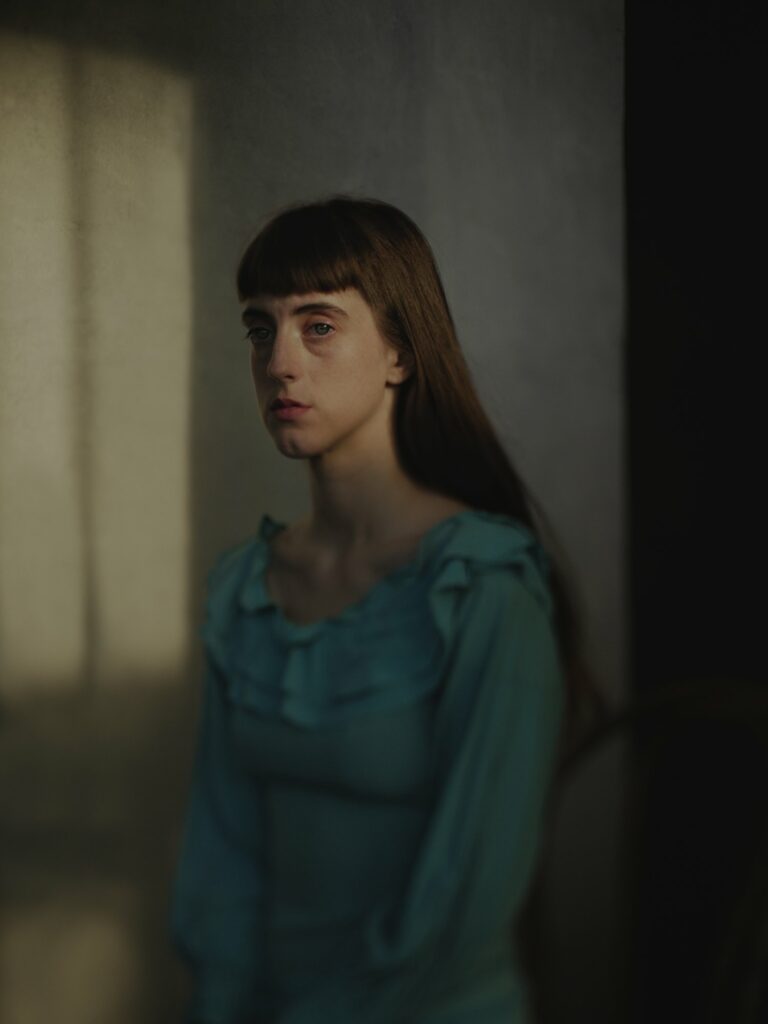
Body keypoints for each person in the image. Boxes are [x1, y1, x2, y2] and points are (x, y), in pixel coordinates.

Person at [169, 195, 598, 1023]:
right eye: (262, 329)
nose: (280, 362)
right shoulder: (247, 590)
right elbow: (220, 855)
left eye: (318, 326)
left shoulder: (483, 588)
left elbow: (472, 895)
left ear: (399, 350)